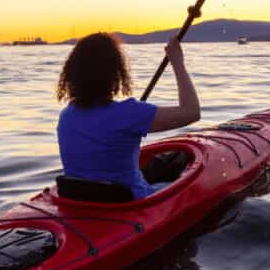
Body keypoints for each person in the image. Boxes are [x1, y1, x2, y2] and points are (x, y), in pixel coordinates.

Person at [56, 32, 200, 200]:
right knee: (187, 181)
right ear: (115, 72)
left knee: (167, 161)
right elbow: (192, 112)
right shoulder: (130, 114)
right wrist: (177, 63)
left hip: (82, 200)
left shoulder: (66, 116)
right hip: (131, 202)